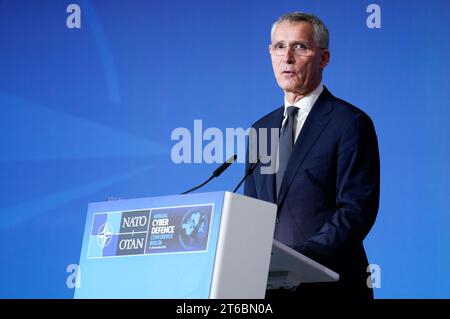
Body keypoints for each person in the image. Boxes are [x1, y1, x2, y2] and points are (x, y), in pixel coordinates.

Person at [244, 12, 380, 299]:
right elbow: (252, 214)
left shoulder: (350, 123)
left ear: (324, 58)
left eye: (300, 47)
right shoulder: (260, 129)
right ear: (270, 54)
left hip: (330, 285)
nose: (287, 57)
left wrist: (300, 260)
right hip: (268, 290)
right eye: (279, 46)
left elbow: (355, 211)